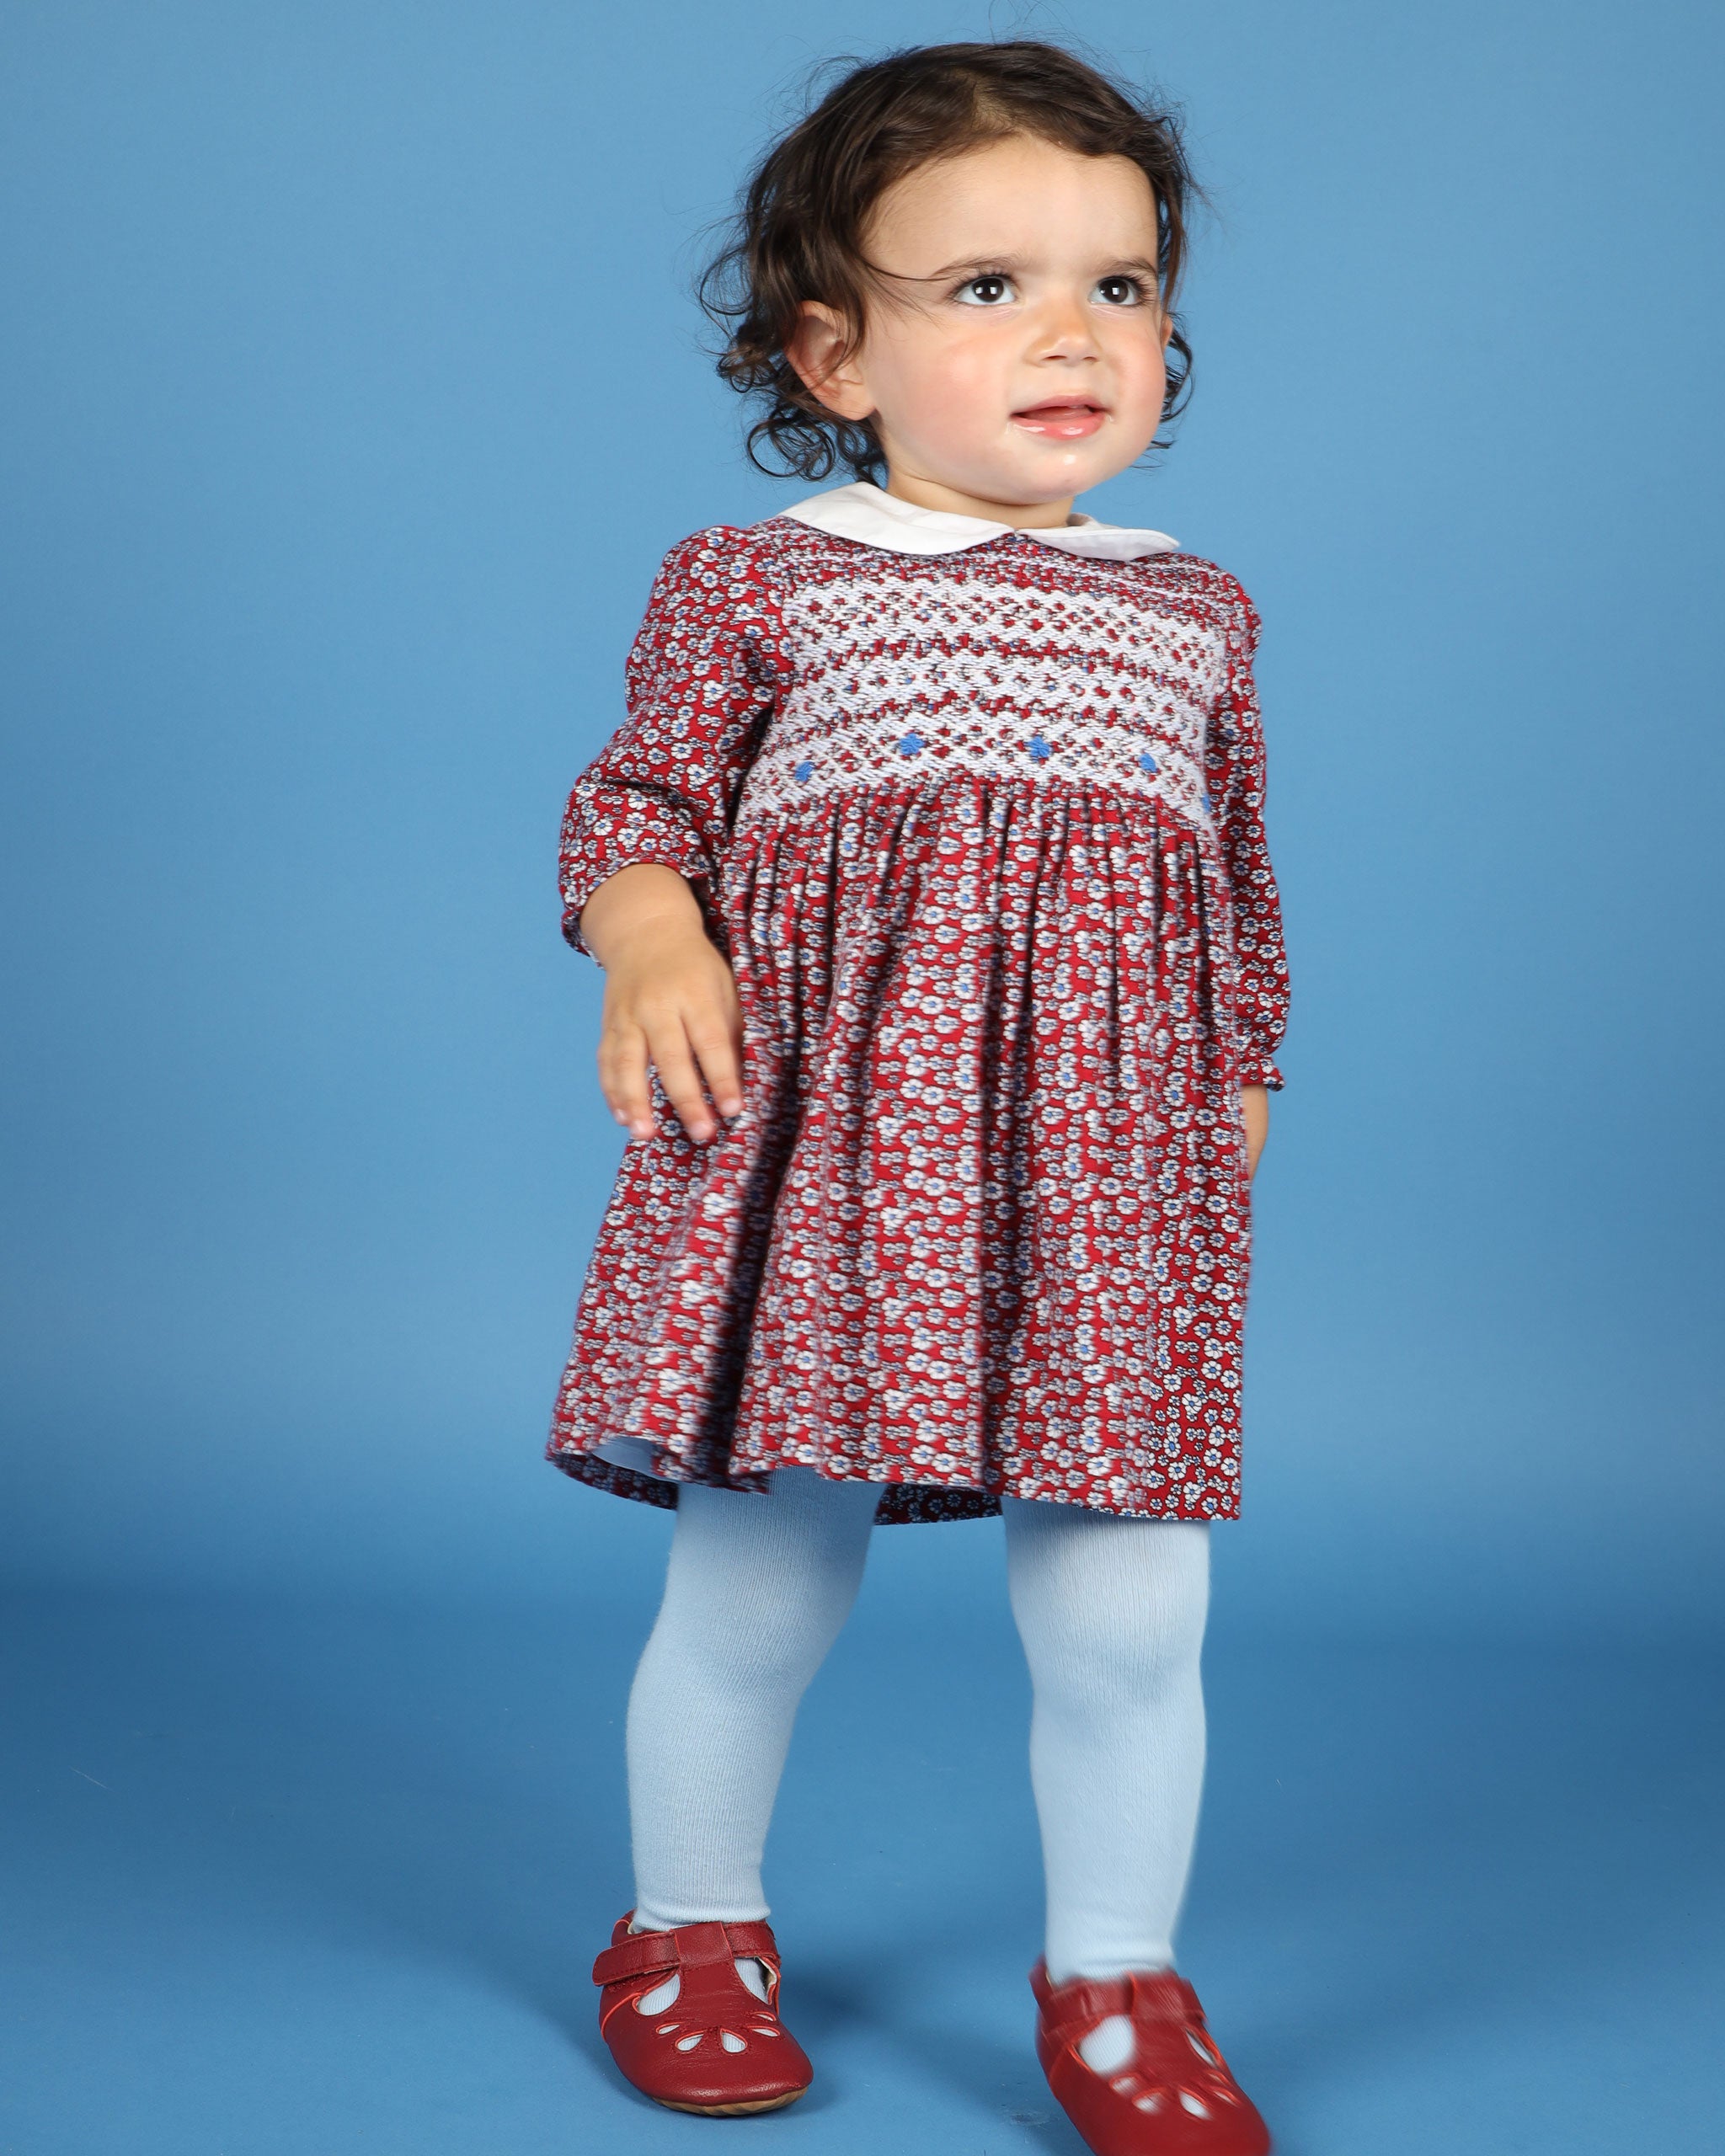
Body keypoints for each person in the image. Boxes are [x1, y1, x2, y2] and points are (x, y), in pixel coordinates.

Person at [547, 40, 1288, 2155]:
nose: (1072, 333)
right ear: (833, 347)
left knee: (1136, 1601)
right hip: (825, 1165)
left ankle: (1120, 1984)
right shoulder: (761, 576)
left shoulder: (1193, 613)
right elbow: (633, 806)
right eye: (985, 288)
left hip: (1105, 1166)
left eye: (1121, 287)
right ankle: (686, 1926)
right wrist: (656, 937)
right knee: (767, 1574)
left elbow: (1233, 885)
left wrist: (1235, 1079)